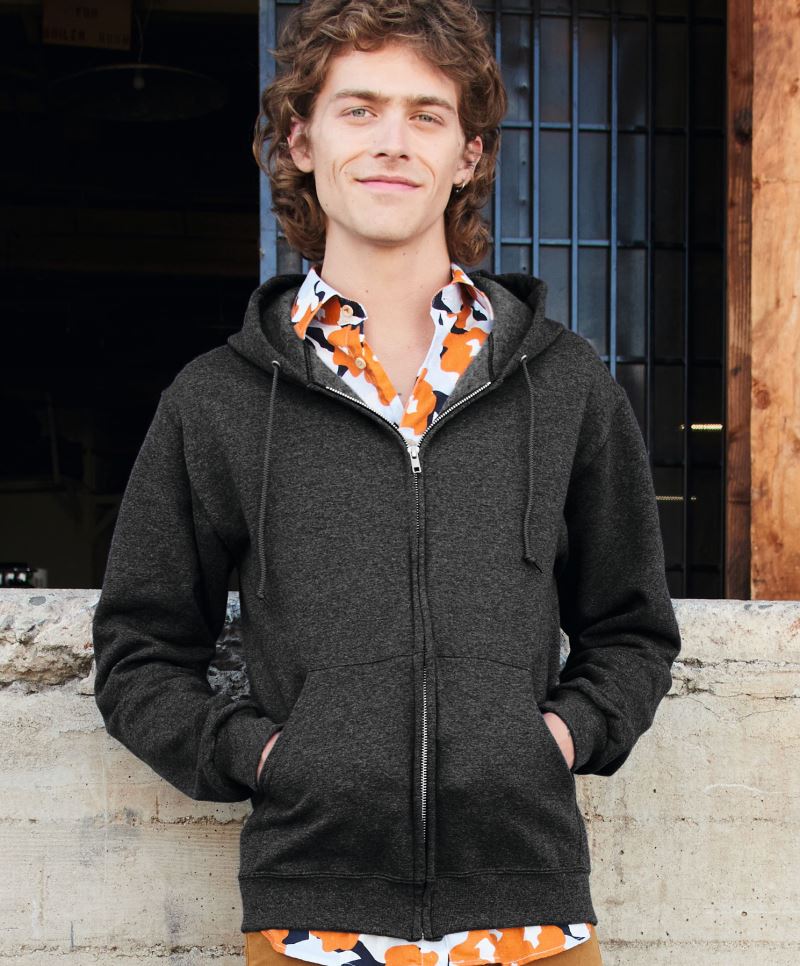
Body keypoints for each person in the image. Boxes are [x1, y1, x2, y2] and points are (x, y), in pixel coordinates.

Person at [91, 1, 681, 965]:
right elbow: (138, 652)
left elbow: (633, 629)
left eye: (426, 115)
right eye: (359, 109)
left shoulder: (566, 385)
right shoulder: (218, 400)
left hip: (532, 921)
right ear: (302, 140)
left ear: (468, 155)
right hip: (310, 925)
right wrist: (267, 756)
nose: (392, 142)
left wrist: (557, 740)